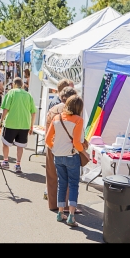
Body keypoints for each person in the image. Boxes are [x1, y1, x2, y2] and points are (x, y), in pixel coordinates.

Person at [45, 95, 85, 227]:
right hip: (71, 156)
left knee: (61, 184)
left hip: (58, 156)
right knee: (73, 184)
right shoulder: (78, 120)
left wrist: (55, 148)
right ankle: (71, 216)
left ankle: (60, 213)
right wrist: (81, 150)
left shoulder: (57, 118)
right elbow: (77, 142)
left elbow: (47, 140)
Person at [0, 77, 36, 173]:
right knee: (20, 146)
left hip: (11, 123)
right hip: (24, 124)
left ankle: (5, 161)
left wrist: (1, 122)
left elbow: (5, 109)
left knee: (5, 143)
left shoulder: (11, 93)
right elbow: (33, 112)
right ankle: (18, 164)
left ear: (14, 84)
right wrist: (31, 126)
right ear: (22, 85)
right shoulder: (28, 95)